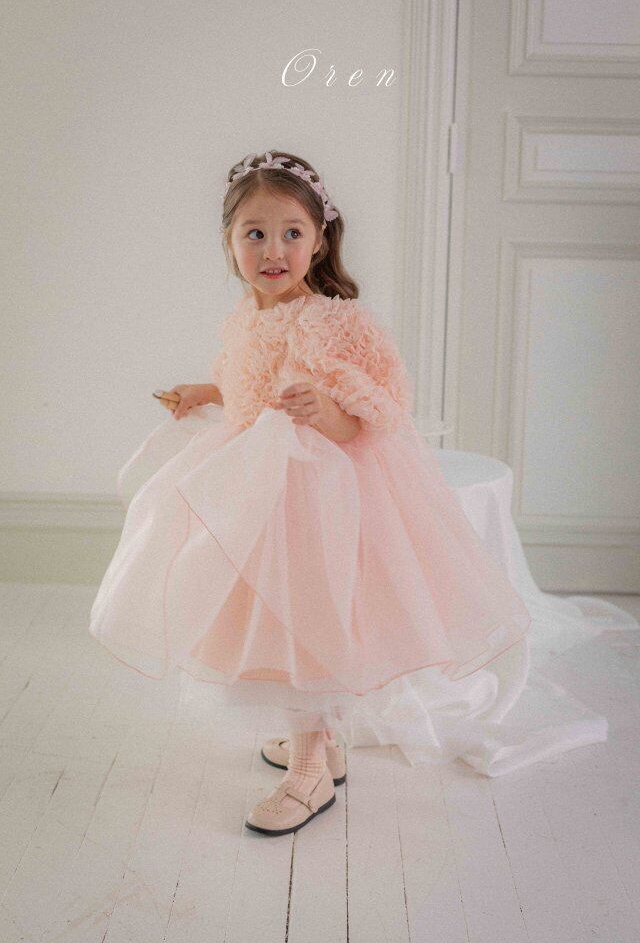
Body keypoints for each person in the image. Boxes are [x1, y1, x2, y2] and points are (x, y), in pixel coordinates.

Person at [87, 149, 606, 837]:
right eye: (254, 233)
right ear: (229, 241)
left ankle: (310, 771)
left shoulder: (337, 321)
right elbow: (248, 386)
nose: (273, 250)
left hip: (316, 497)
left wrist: (325, 412)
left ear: (320, 240)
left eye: (291, 233)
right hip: (260, 489)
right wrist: (204, 392)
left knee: (306, 620)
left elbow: (380, 412)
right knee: (269, 617)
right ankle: (322, 744)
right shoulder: (246, 317)